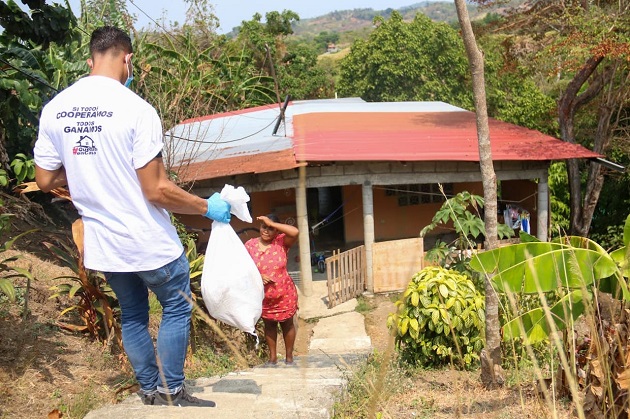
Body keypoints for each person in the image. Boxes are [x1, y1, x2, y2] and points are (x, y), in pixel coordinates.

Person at [33, 26, 231, 408]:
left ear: (90, 60)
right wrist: (208, 207)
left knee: (134, 312)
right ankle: (173, 390)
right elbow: (156, 189)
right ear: (127, 59)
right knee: (176, 306)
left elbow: (44, 180)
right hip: (147, 241)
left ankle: (149, 390)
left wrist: (86, 173)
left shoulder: (56, 108)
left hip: (106, 246)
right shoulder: (136, 109)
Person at [244, 214, 299, 365]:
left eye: (271, 228)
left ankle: (289, 357)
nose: (266, 231)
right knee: (269, 325)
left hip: (284, 294)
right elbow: (243, 268)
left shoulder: (281, 242)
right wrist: (258, 276)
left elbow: (294, 232)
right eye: (264, 227)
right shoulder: (250, 245)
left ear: (277, 231)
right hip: (263, 296)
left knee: (287, 324)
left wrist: (272, 222)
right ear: (260, 227)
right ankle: (272, 358)